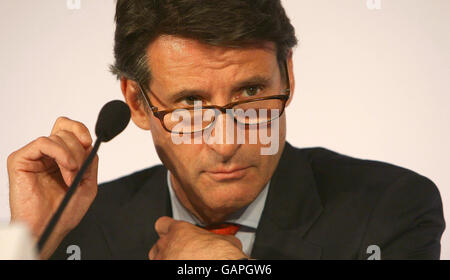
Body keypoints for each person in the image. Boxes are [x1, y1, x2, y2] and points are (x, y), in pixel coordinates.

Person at [7, 0, 445, 260]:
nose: (227, 142)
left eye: (251, 92)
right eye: (189, 105)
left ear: (287, 77)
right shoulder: (79, 230)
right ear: (137, 103)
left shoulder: (391, 210)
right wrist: (28, 244)